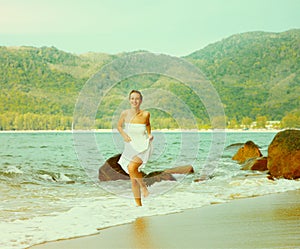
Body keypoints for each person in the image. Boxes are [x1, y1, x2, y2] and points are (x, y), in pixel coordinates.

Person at [117, 90, 154, 206]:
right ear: (129, 100)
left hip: (143, 146)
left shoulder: (146, 114)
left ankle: (144, 187)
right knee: (133, 179)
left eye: (137, 99)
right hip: (130, 146)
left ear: (141, 100)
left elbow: (147, 124)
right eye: (132, 98)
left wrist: (149, 134)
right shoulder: (125, 113)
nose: (134, 101)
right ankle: (139, 206)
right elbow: (119, 126)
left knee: (132, 168)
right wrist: (124, 135)